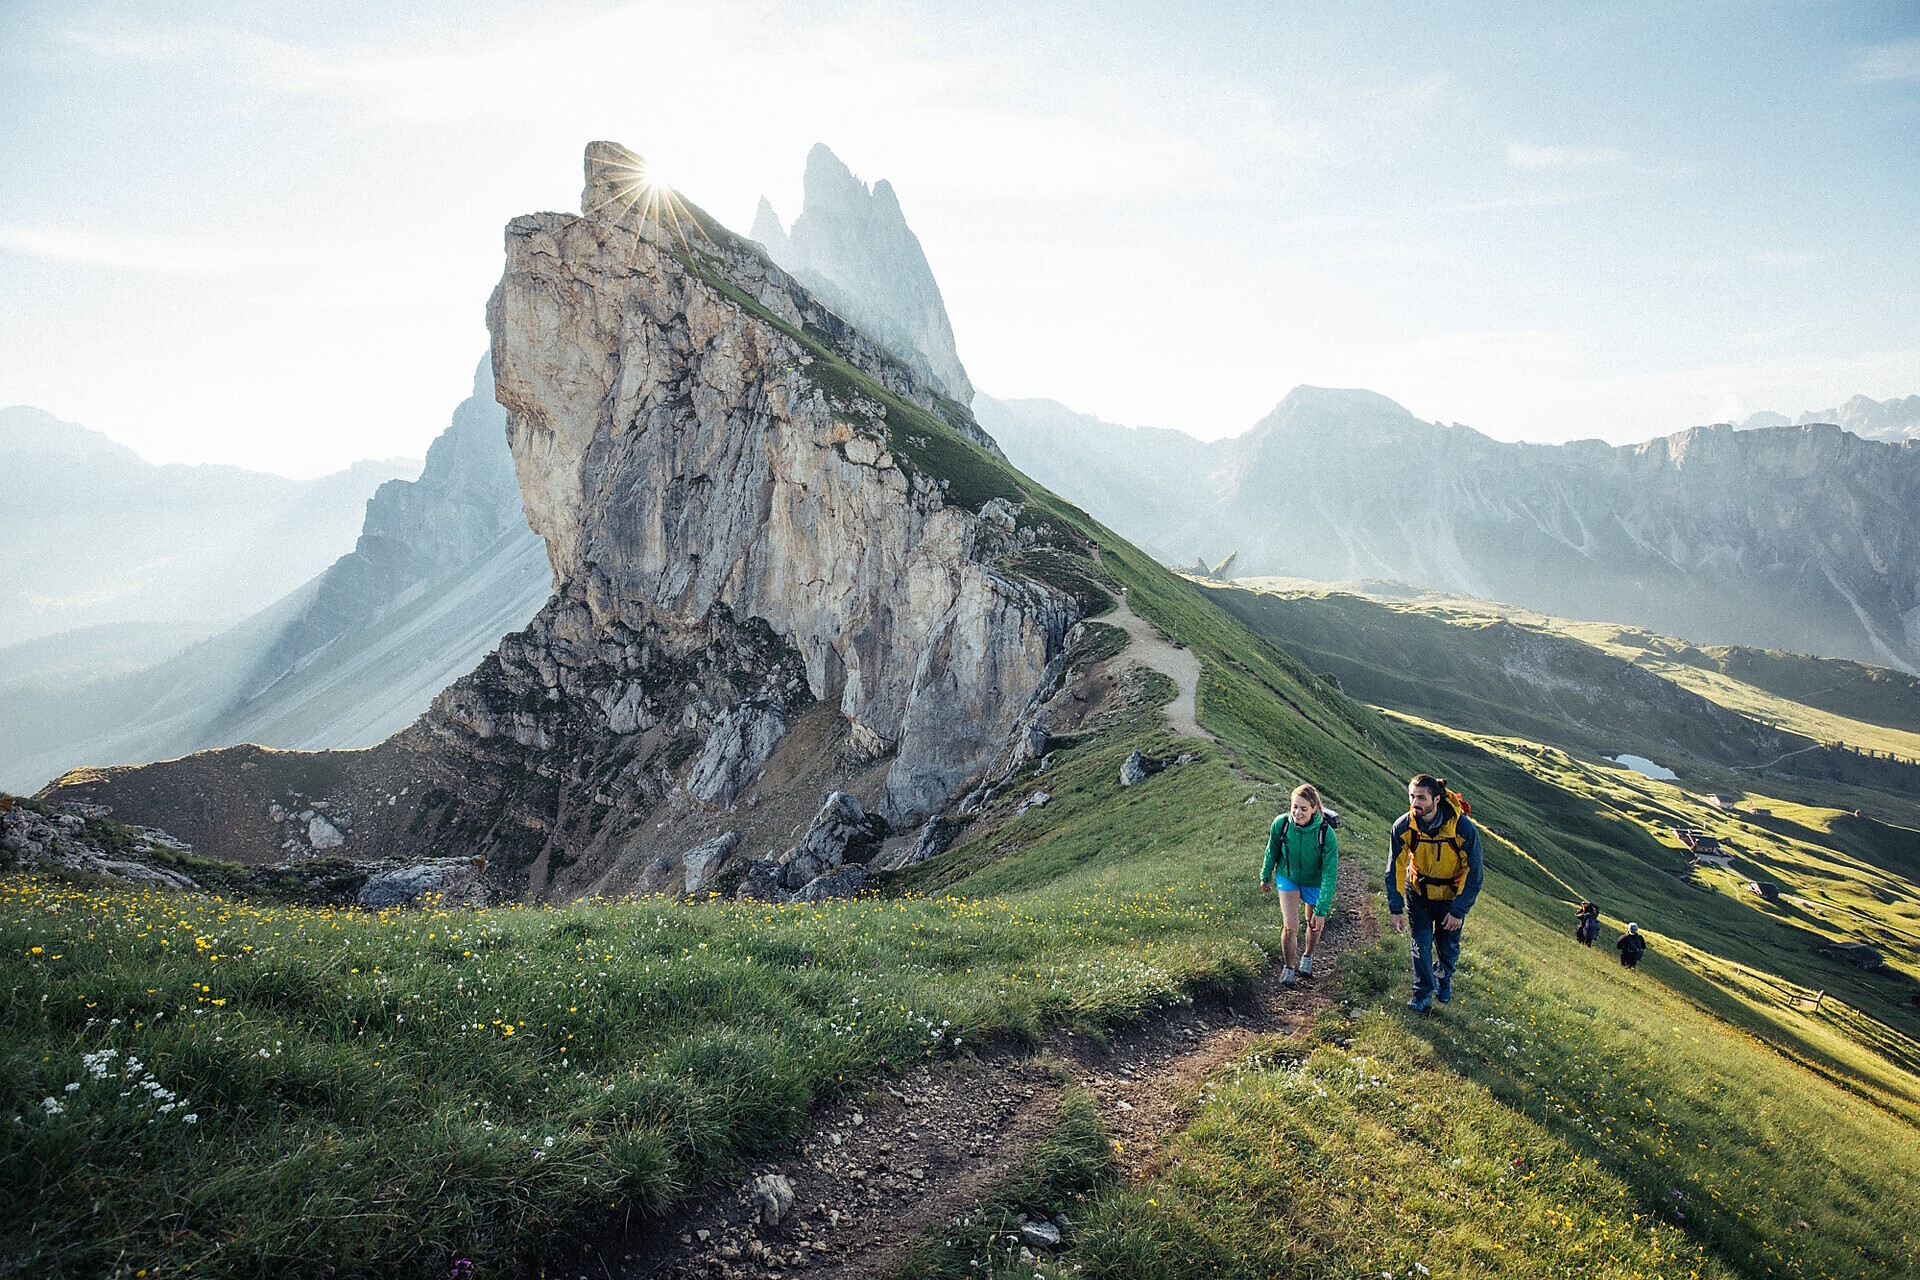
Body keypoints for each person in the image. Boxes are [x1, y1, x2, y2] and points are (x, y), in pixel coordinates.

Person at [1386, 774, 1484, 1012]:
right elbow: (1395, 867)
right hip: (1418, 892)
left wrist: (1458, 910)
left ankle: (1444, 975)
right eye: (1412, 796)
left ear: (1436, 799)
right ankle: (1421, 995)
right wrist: (1395, 908)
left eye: (1421, 798)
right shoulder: (1403, 827)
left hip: (1450, 898)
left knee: (1448, 947)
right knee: (1420, 944)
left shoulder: (1462, 828)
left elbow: (1474, 872)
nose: (1415, 803)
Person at [1261, 783, 1339, 986]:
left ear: (1314, 809)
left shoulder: (1326, 833)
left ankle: (1308, 956)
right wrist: (1265, 875)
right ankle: (1288, 968)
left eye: (1303, 808)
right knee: (1290, 926)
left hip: (1314, 881)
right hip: (1288, 877)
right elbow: (1272, 850)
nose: (1297, 812)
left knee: (1313, 923)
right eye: (1294, 807)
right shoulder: (1281, 824)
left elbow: (1330, 874)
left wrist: (1322, 910)